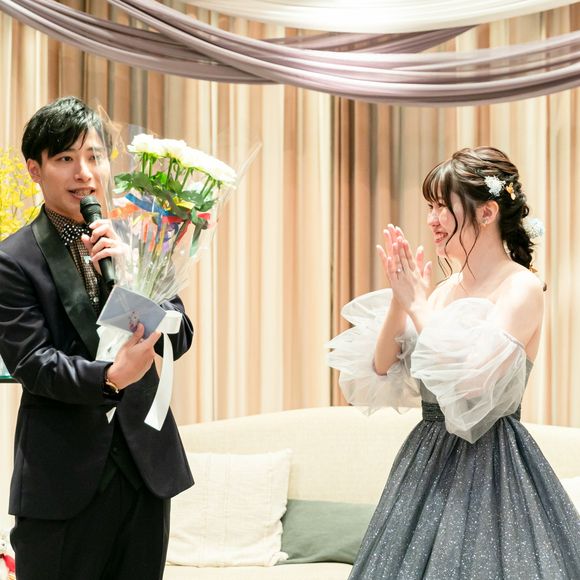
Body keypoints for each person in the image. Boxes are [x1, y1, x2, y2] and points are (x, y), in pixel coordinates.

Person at [328, 147, 580, 579]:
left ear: (487, 212)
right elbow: (382, 369)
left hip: (493, 465)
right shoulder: (443, 291)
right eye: (430, 207)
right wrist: (400, 299)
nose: (432, 219)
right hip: (426, 458)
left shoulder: (521, 287)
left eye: (443, 206)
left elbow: (471, 384)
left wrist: (418, 305)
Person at [0, 97, 195, 580]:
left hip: (145, 470)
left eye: (94, 156)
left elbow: (179, 335)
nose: (84, 173)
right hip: (60, 479)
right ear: (35, 169)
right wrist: (110, 377)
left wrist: (130, 275)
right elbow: (34, 363)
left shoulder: (133, 241)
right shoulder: (13, 260)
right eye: (65, 158)